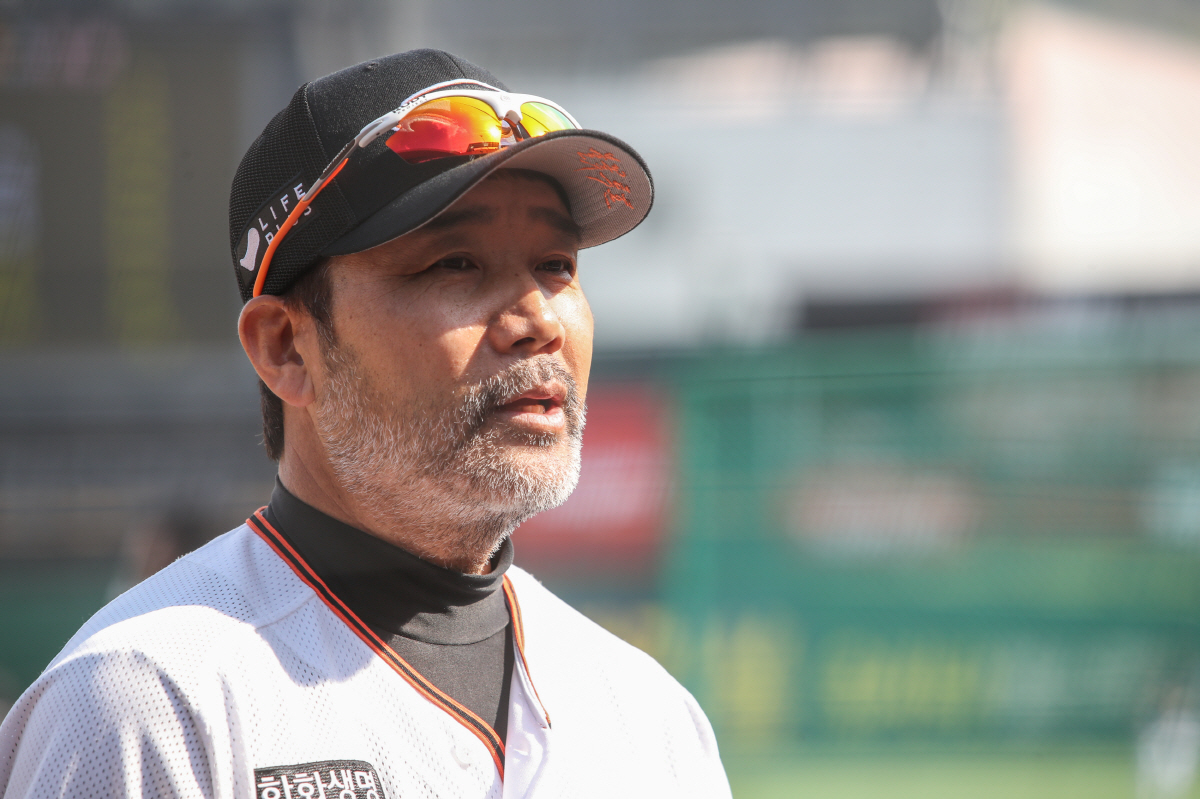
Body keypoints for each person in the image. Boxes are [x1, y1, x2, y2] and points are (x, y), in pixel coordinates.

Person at [0, 49, 731, 798]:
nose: (538, 321)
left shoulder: (651, 720)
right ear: (286, 347)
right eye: (454, 263)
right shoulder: (145, 699)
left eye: (556, 264)